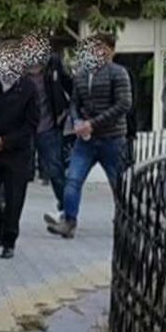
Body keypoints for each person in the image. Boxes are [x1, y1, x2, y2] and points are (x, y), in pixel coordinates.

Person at [47, 34, 133, 239]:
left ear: (111, 50)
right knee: (73, 179)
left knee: (118, 183)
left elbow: (123, 104)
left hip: (112, 139)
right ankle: (69, 221)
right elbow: (74, 103)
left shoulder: (118, 73)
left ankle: (125, 221)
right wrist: (77, 121)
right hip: (85, 140)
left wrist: (92, 124)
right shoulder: (82, 74)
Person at [0, 42, 39, 259]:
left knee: (14, 198)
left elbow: (31, 125)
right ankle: (2, 226)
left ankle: (9, 241)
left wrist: (5, 142)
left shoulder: (28, 88)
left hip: (16, 151)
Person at [14, 34, 74, 227]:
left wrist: (68, 112)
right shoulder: (17, 71)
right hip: (24, 130)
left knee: (55, 170)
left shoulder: (53, 66)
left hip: (49, 128)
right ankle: (3, 210)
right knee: (15, 171)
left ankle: (67, 212)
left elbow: (71, 87)